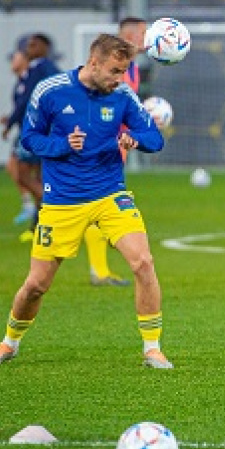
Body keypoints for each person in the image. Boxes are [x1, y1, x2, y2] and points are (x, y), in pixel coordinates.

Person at [0, 33, 173, 369]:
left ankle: (152, 349)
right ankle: (9, 342)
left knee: (143, 263)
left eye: (123, 72)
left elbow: (154, 138)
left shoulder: (123, 95)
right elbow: (29, 140)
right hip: (62, 201)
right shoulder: (51, 91)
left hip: (111, 194)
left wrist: (134, 138)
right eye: (114, 71)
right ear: (93, 62)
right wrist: (64, 145)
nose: (119, 79)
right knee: (37, 285)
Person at [83, 16, 149, 287]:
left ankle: (101, 266)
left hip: (118, 142)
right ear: (131, 36)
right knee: (98, 203)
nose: (148, 39)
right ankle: (99, 270)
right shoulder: (109, 69)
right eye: (144, 33)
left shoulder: (131, 68)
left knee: (102, 202)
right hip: (103, 143)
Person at [7, 33, 61, 242]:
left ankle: (51, 205)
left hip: (36, 130)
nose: (30, 47)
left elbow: (28, 102)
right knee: (38, 177)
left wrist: (11, 123)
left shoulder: (43, 67)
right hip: (35, 128)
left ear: (45, 48)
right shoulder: (34, 70)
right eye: (28, 44)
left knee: (21, 174)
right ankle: (39, 226)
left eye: (34, 44)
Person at [0, 37, 38, 225]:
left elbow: (25, 105)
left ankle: (39, 204)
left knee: (18, 168)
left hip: (31, 132)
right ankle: (35, 206)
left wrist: (9, 125)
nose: (12, 62)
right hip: (25, 130)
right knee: (17, 168)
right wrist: (9, 119)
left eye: (14, 57)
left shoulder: (31, 78)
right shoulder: (21, 81)